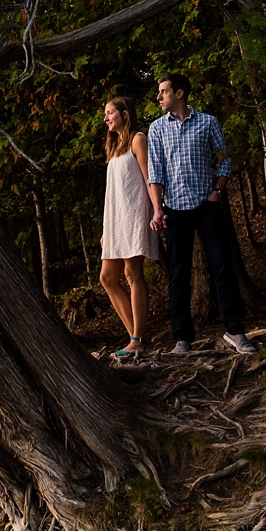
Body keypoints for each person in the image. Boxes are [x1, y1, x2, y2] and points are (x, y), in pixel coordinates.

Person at [146, 74, 257, 355]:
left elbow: (225, 160)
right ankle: (182, 338)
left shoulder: (208, 122)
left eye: (163, 92)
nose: (159, 97)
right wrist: (158, 209)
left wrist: (217, 192)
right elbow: (155, 171)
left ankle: (235, 331)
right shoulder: (157, 129)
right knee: (179, 275)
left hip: (206, 206)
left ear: (179, 93)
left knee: (222, 267)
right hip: (174, 209)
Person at [97, 96, 161, 359]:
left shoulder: (138, 139)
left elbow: (150, 178)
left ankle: (138, 340)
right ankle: (135, 337)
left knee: (132, 273)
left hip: (135, 215)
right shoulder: (114, 147)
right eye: (106, 114)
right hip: (115, 219)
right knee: (108, 278)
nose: (106, 118)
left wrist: (158, 209)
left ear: (125, 113)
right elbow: (113, 192)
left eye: (110, 113)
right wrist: (106, 229)